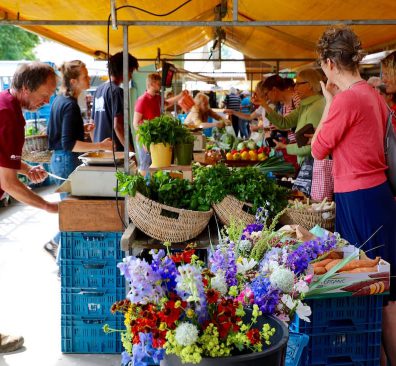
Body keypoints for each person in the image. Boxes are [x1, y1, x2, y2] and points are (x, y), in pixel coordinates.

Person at [312, 25, 396, 366]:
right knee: (380, 287)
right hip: (372, 195)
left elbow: (319, 149)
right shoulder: (372, 95)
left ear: (331, 63)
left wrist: (329, 104)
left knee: (377, 289)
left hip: (360, 198)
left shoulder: (348, 100)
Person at [0, 62, 59, 353]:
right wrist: (47, 207)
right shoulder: (8, 115)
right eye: (44, 96)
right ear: (25, 88)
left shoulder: (6, 105)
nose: (46, 102)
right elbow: (8, 184)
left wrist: (24, 168)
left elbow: (3, 162)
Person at [45, 60, 112, 258]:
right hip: (66, 160)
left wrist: (82, 130)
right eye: (84, 75)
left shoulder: (59, 101)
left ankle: (55, 244)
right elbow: (69, 144)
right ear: (73, 81)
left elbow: (59, 134)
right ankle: (60, 258)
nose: (88, 78)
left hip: (59, 159)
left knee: (71, 210)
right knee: (75, 213)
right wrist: (100, 145)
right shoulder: (70, 105)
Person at [255, 69, 325, 165]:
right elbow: (284, 123)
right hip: (307, 162)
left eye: (298, 84)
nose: (295, 88)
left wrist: (285, 147)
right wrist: (265, 106)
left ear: (309, 85)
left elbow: (312, 146)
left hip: (313, 164)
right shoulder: (304, 106)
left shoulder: (317, 107)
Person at [132, 73, 187, 171]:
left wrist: (181, 95)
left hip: (156, 139)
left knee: (155, 166)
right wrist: (145, 139)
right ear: (152, 84)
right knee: (145, 165)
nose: (160, 86)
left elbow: (167, 103)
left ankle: (150, 185)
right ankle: (143, 185)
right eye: (158, 84)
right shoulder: (142, 100)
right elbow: (136, 123)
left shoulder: (157, 98)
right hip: (145, 139)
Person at [90, 52, 139, 151]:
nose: (130, 76)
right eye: (131, 71)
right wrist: (130, 153)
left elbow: (92, 125)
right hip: (116, 154)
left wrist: (97, 147)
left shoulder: (98, 90)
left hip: (102, 152)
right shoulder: (117, 92)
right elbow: (118, 126)